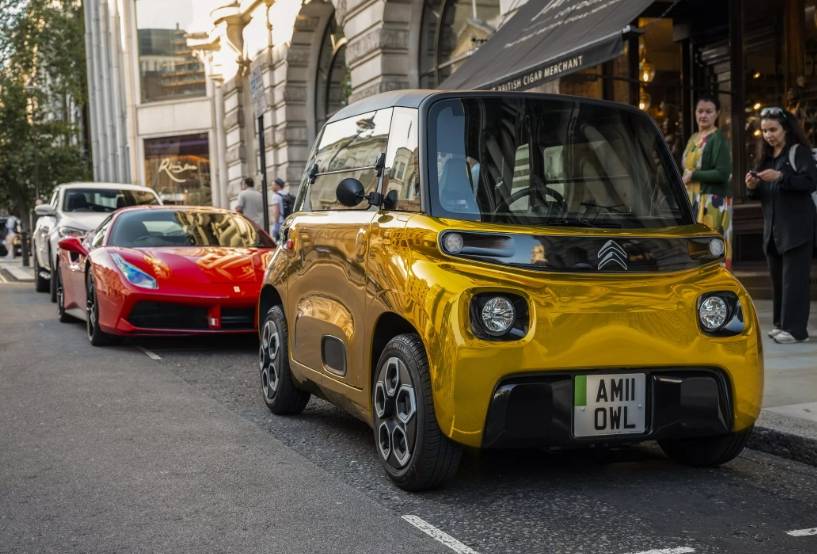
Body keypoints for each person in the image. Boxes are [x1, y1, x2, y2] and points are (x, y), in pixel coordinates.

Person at [745, 107, 817, 344]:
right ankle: (780, 324)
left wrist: (781, 177)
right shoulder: (766, 158)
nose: (768, 135)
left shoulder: (799, 152)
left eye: (773, 129)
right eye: (764, 131)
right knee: (778, 279)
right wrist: (752, 187)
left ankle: (796, 330)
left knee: (794, 280)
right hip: (773, 230)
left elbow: (810, 182)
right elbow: (763, 195)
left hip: (797, 228)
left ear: (786, 129)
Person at [682, 95, 734, 267]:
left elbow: (723, 173)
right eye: (700, 111)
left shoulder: (718, 139)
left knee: (711, 249)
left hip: (712, 202)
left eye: (709, 112)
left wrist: (694, 175)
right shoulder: (693, 138)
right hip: (693, 199)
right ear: (694, 113)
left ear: (717, 114)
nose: (703, 115)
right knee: (696, 249)